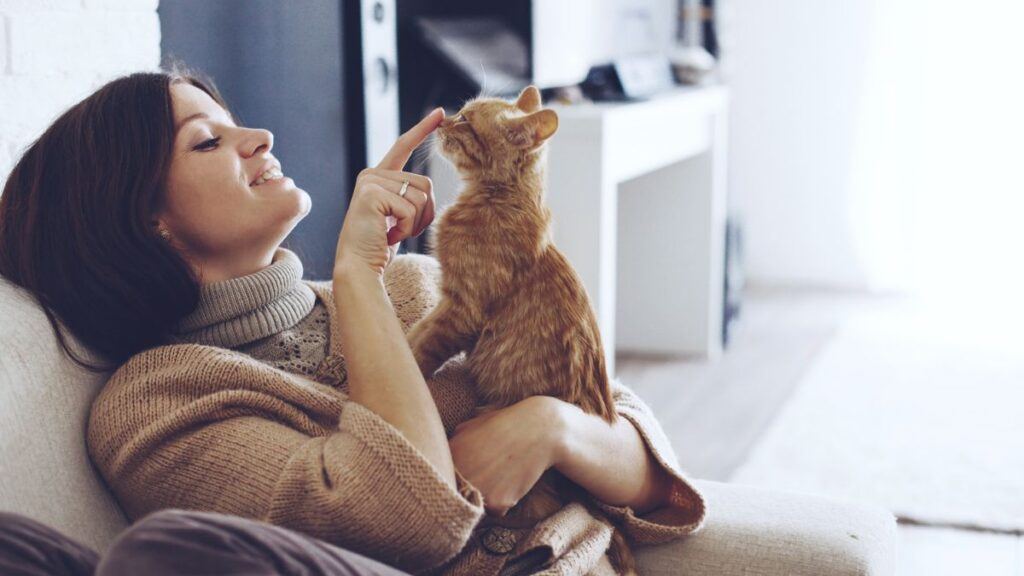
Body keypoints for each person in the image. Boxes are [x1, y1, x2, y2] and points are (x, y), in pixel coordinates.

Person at [0, 63, 705, 575]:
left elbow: (649, 474)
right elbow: (412, 517)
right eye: (206, 142)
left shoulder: (419, 285)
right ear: (145, 218)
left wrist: (550, 426)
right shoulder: (155, 405)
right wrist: (356, 278)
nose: (259, 135)